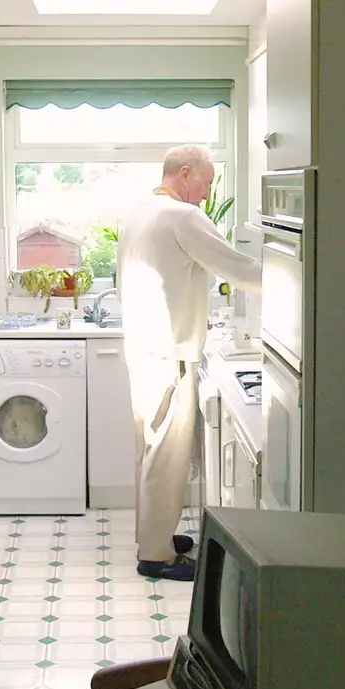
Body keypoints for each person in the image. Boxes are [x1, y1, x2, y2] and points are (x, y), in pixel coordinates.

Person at [117, 145, 262, 580]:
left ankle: (151, 536)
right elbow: (241, 271)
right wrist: (299, 273)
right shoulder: (183, 216)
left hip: (144, 346)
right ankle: (157, 557)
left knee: (149, 447)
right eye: (206, 182)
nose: (207, 192)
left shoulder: (142, 209)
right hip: (170, 349)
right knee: (166, 453)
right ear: (185, 174)